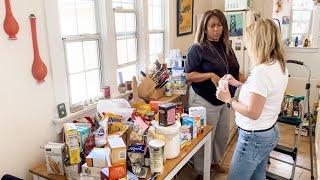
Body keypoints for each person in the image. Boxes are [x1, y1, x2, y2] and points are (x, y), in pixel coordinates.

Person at [216, 19, 288, 180]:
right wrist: (239, 83)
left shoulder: (261, 71)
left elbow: (253, 112)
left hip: (253, 138)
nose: (248, 49)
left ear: (259, 43)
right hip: (269, 132)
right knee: (258, 176)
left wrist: (228, 100)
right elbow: (262, 94)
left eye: (249, 44)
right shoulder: (278, 65)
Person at [184, 9, 242, 177]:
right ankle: (202, 171)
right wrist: (209, 75)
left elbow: (235, 70)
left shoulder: (226, 46)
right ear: (204, 28)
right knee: (204, 137)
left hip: (224, 99)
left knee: (221, 136)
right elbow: (188, 76)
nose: (217, 29)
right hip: (204, 100)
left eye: (220, 25)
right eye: (212, 26)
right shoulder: (197, 48)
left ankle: (214, 162)